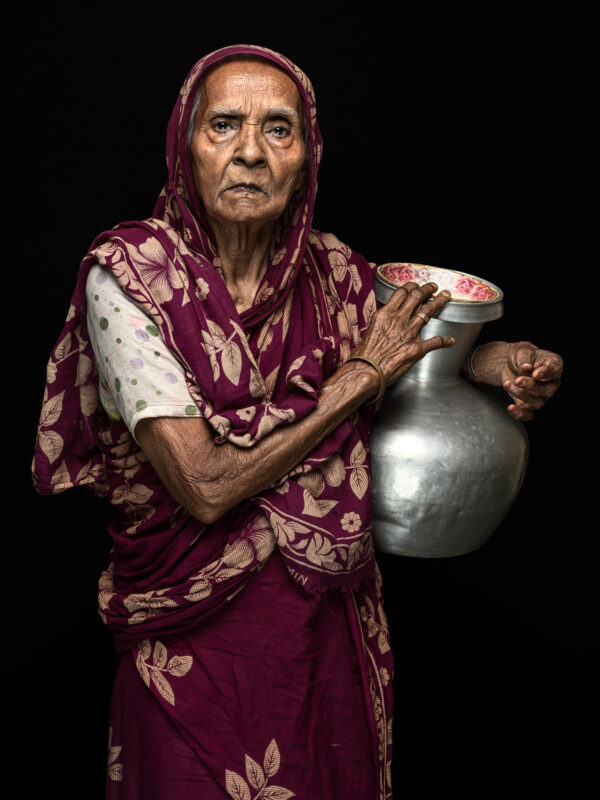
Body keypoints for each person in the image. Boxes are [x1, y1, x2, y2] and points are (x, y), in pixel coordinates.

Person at [32, 44, 563, 799]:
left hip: (321, 645)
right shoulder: (130, 280)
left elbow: (420, 341)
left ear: (308, 156)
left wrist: (501, 360)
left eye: (278, 130)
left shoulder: (337, 273)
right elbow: (207, 485)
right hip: (191, 655)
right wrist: (360, 379)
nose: (250, 152)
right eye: (224, 125)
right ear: (185, 146)